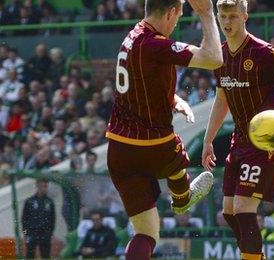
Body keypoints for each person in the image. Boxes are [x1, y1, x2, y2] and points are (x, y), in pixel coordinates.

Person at [105, 0, 222, 258]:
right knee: (175, 157)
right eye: (178, 17)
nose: (177, 22)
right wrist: (205, 13)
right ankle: (182, 200)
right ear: (170, 12)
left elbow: (141, 79)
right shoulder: (156, 44)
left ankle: (181, 199)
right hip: (151, 145)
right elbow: (214, 58)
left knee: (146, 233)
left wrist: (172, 99)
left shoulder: (132, 36)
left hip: (118, 149)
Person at [201, 1, 274, 259]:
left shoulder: (266, 54)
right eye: (223, 16)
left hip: (264, 143)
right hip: (238, 141)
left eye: (233, 16)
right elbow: (221, 100)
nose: (227, 22)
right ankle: (256, 256)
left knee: (244, 209)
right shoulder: (219, 56)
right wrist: (208, 139)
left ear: (245, 16)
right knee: (228, 212)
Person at [21, 179, 55, 258]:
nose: (44, 188)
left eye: (46, 186)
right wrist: (26, 233)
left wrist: (50, 232)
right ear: (38, 186)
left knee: (45, 255)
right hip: (32, 232)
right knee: (30, 255)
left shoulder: (49, 202)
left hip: (45, 233)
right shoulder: (29, 201)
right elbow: (24, 219)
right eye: (43, 186)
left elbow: (52, 219)